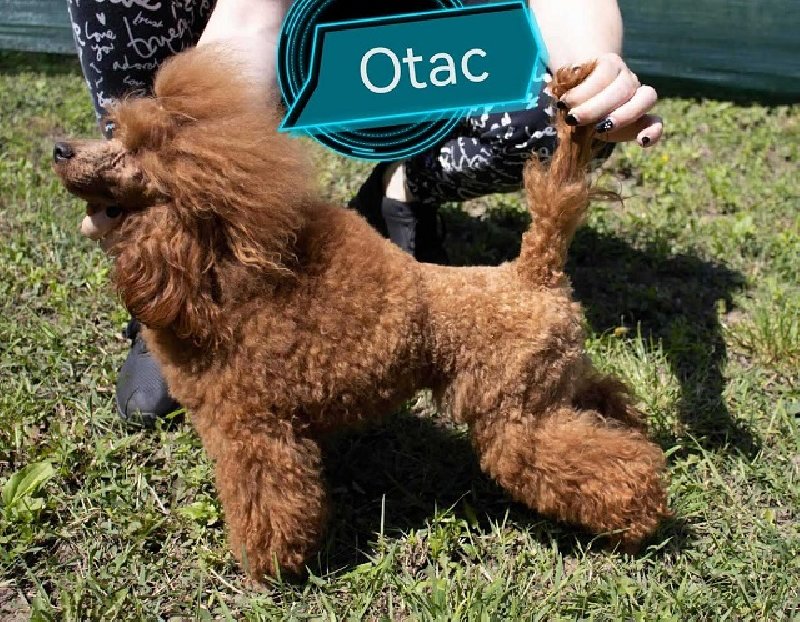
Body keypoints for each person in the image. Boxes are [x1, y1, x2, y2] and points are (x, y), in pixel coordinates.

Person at [66, 0, 662, 426]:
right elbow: (251, 19)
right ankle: (184, 285)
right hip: (283, 35)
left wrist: (593, 69)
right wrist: (184, 164)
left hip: (420, 41)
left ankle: (406, 185)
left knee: (542, 116)